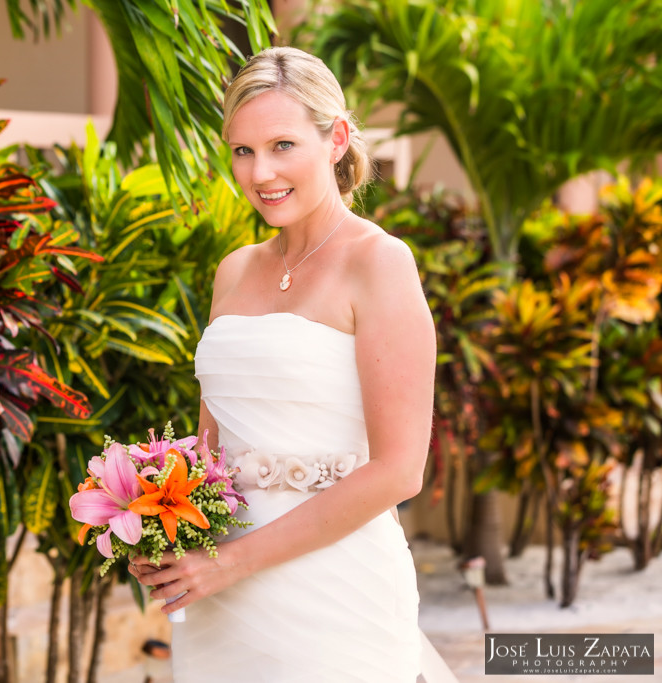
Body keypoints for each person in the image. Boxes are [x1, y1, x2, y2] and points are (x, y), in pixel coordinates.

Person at [128, 46, 437, 682]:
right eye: (242, 151)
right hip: (220, 596)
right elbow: (211, 450)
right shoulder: (234, 270)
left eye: (282, 145)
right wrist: (162, 528)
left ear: (337, 139)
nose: (260, 171)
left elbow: (400, 471)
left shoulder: (379, 262)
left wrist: (231, 564)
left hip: (336, 589)